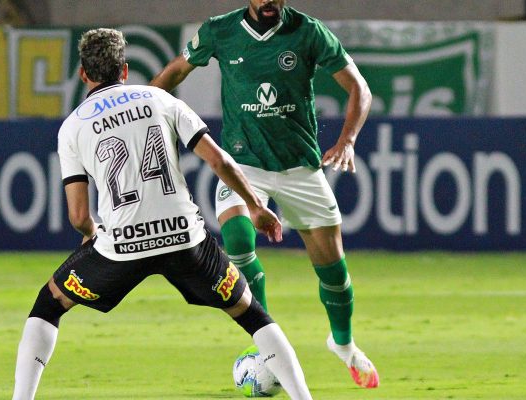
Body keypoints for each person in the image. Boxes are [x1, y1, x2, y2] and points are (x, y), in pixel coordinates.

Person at [11, 28, 313, 400]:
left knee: (49, 304)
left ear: (83, 74)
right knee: (250, 312)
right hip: (184, 238)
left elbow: (77, 215)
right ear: (125, 71)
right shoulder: (159, 99)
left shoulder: (72, 126)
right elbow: (218, 159)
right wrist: (255, 205)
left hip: (121, 245)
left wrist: (91, 233)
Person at [150, 0, 379, 389]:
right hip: (243, 165)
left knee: (334, 272)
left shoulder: (308, 32)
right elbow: (176, 71)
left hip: (299, 167)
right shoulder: (220, 30)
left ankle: (343, 343)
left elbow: (359, 87)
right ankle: (268, 342)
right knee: (237, 239)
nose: (269, 1)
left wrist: (348, 141)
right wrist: (142, 103)